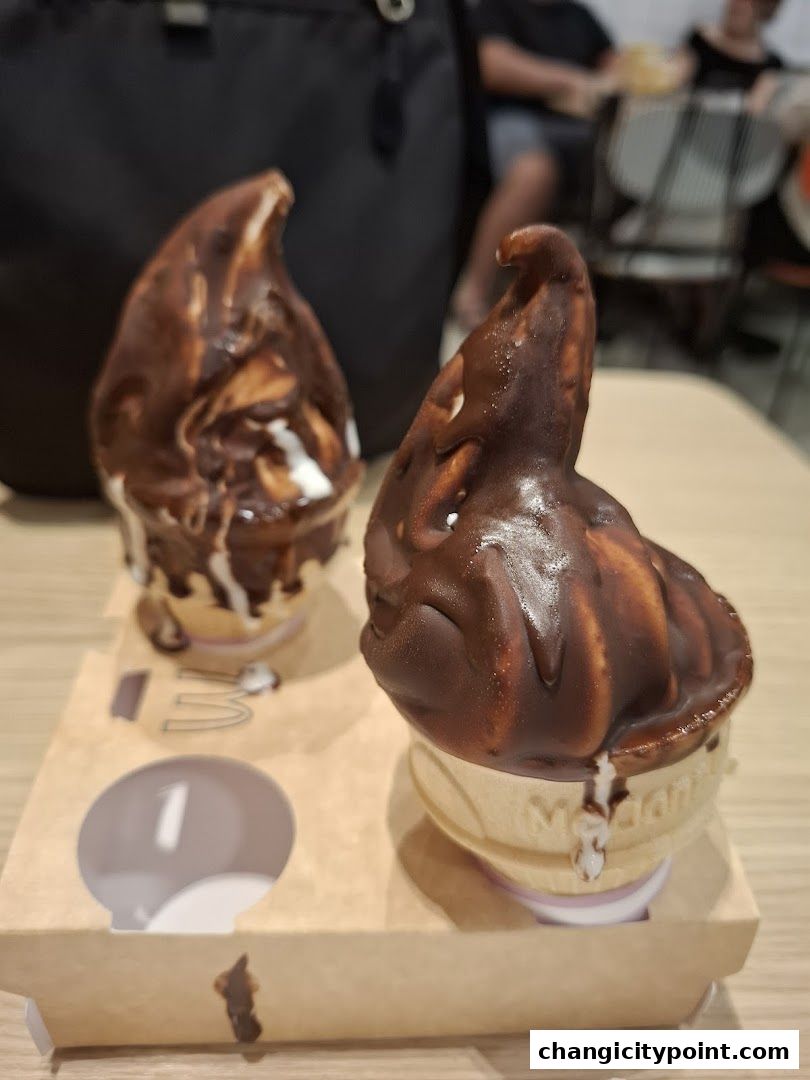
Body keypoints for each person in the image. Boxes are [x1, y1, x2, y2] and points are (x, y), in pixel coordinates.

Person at [453, 0, 615, 328]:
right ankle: (474, 294)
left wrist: (612, 80)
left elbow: (614, 61)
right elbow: (491, 63)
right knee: (533, 172)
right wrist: (570, 81)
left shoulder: (578, 16)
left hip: (578, 127)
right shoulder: (499, 10)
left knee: (624, 161)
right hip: (510, 117)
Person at [682, 0, 784, 94]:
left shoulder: (770, 64)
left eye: (749, 4)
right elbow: (678, 74)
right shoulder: (700, 39)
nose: (738, 4)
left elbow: (757, 106)